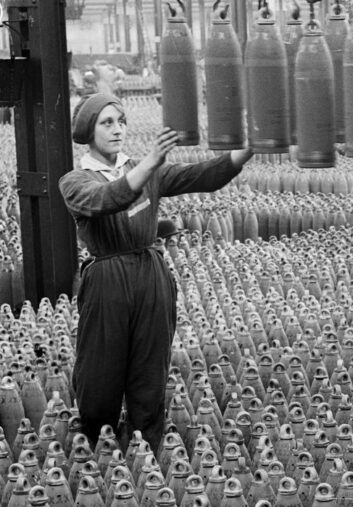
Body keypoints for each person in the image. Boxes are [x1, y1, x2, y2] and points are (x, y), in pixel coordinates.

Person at [58, 94, 255, 453]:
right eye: (107, 122)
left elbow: (202, 175)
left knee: (150, 370)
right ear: (88, 131)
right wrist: (150, 163)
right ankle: (97, 450)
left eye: (121, 121)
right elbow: (108, 198)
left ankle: (145, 450)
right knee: (99, 373)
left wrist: (251, 148)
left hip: (151, 274)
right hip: (107, 280)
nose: (117, 129)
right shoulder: (75, 181)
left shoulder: (145, 171)